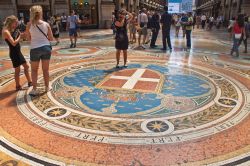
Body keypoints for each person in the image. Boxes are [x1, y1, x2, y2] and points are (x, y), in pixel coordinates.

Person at [25, 5, 53, 96]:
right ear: (41, 13)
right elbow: (51, 38)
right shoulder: (46, 24)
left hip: (35, 48)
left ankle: (34, 89)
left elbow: (28, 39)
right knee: (45, 70)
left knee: (34, 70)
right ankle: (47, 87)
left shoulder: (29, 24)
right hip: (46, 48)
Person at [2, 15, 32, 91]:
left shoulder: (11, 29)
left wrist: (21, 36)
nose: (16, 25)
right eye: (15, 23)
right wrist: (20, 36)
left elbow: (17, 39)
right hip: (14, 53)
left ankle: (30, 82)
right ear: (11, 22)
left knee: (26, 66)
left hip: (18, 52)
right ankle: (18, 86)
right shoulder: (6, 31)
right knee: (17, 70)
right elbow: (14, 43)